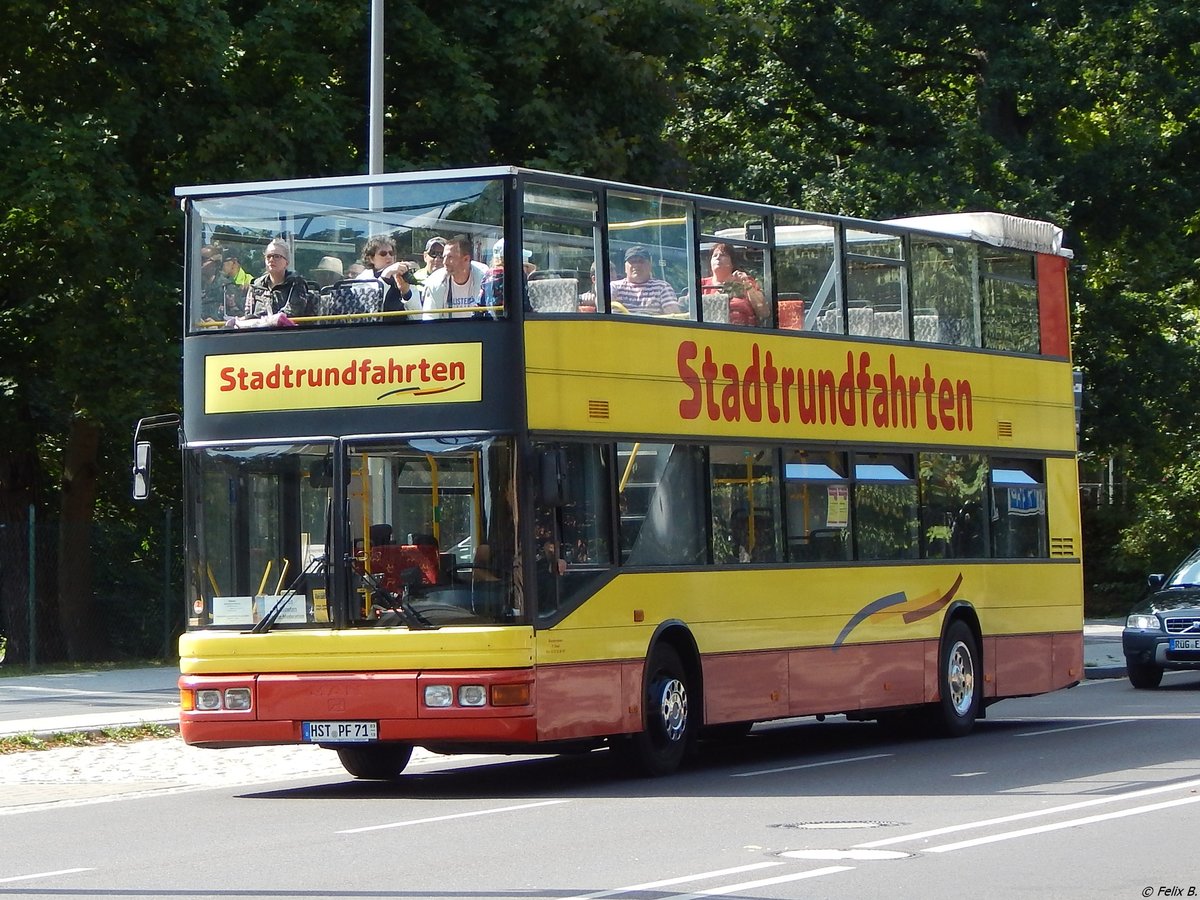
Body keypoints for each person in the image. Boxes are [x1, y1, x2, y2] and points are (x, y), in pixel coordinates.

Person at [420, 235, 490, 320]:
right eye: (444, 256)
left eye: (450, 257)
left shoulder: (485, 277)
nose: (444, 262)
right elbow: (429, 321)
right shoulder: (434, 282)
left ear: (466, 259)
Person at [244, 240, 315, 319]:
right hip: (258, 330)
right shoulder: (255, 286)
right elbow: (248, 316)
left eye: (276, 256)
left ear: (286, 262)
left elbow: (292, 314)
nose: (271, 260)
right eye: (268, 256)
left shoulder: (297, 284)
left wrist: (266, 321)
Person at [702, 242, 768, 325]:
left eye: (723, 255)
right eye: (715, 255)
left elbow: (764, 312)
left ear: (732, 263)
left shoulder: (746, 281)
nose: (718, 258)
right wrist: (727, 288)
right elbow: (686, 309)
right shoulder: (701, 284)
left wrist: (746, 284)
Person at [610, 246, 681, 315]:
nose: (636, 265)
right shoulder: (614, 286)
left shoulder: (662, 287)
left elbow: (674, 316)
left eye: (641, 261)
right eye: (632, 262)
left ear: (650, 265)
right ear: (625, 267)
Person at [356, 235, 417, 314]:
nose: (389, 257)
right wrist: (385, 278)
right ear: (371, 259)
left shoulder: (404, 276)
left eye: (391, 253)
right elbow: (370, 310)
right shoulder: (363, 279)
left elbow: (419, 316)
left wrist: (406, 293)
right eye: (383, 253)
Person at [199, 244, 240, 320]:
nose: (199, 263)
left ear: (216, 263)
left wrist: (218, 325)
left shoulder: (227, 287)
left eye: (203, 259)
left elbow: (238, 316)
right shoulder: (195, 284)